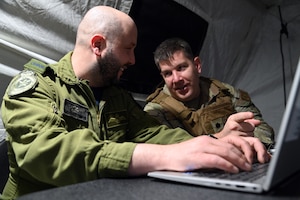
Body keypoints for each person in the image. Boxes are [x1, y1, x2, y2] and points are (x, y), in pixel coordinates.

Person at [0, 6, 270, 199]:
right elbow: (46, 152)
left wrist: (215, 143)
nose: (132, 60)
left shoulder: (117, 96)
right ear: (98, 45)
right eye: (128, 48)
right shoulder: (37, 86)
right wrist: (163, 156)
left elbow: (153, 133)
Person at [144, 38, 275, 148]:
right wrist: (226, 142)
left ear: (197, 65)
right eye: (168, 73)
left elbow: (262, 129)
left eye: (181, 68)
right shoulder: (156, 110)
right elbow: (166, 151)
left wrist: (248, 144)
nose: (176, 79)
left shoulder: (225, 92)